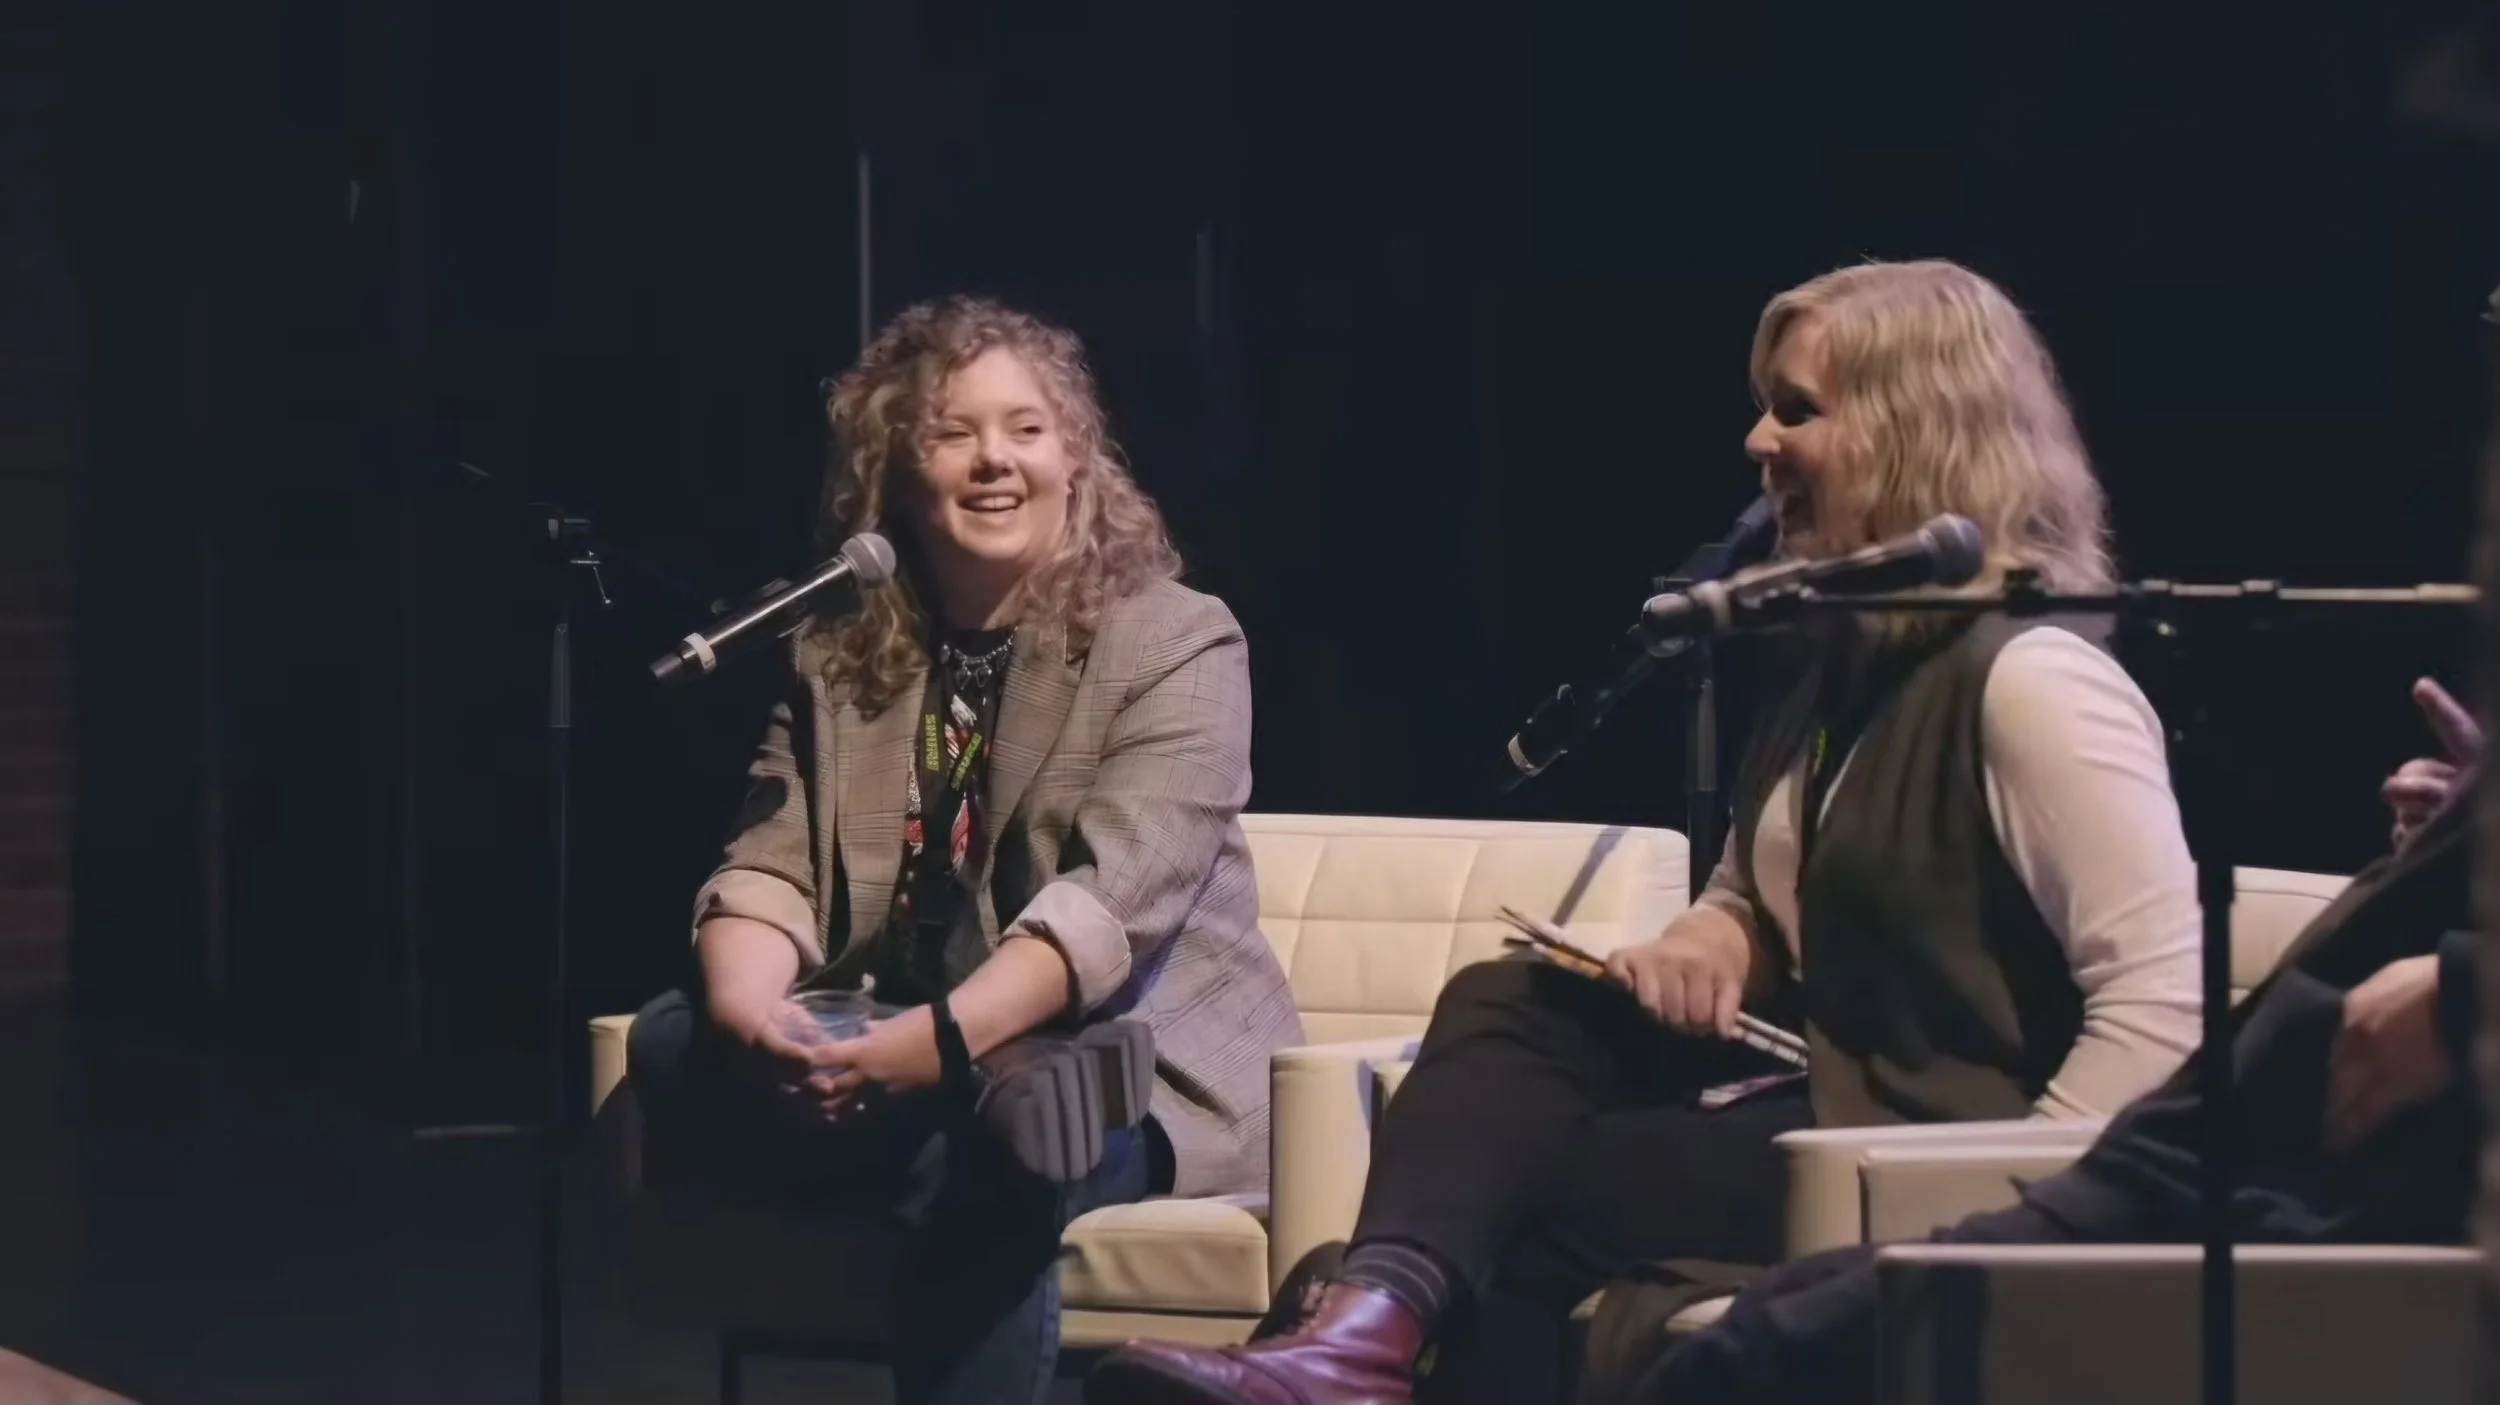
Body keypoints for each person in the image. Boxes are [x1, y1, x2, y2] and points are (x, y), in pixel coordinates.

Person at [1086, 258, 2207, 1405]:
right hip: (1827, 1118)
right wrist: (1702, 948)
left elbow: (2166, 1004)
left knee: (1533, 1194)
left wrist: (2019, 1209)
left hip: (1933, 1157)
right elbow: (1748, 900)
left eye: (1797, 408)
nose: (1757, 442)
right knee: (1508, 1003)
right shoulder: (1839, 667)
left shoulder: (2035, 683)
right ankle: (1361, 1333)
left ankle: (1350, 1333)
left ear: (1918, 432)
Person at [625, 295, 1304, 1405]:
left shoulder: (1178, 638)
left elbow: (1108, 903)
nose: (995, 461)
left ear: (1076, 456)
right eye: (953, 432)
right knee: (669, 1040)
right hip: (918, 1041)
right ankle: (939, 1106)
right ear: (897, 471)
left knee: (992, 1158)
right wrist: (763, 1022)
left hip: (1132, 1062)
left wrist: (936, 1048)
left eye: (1026, 429)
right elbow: (771, 861)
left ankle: (962, 1114)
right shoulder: (839, 647)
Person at [1629, 677, 2485, 1405]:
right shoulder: (1814, 694)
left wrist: (2463, 989)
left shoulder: (2033, 684)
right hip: (2197, 1147)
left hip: (2284, 1189)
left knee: (1757, 1356)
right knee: (1772, 1318)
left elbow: (2157, 988)